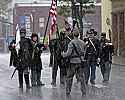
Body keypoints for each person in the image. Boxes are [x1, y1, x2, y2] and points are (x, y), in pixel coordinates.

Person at [62, 29, 86, 96]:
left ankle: (68, 91)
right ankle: (84, 91)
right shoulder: (82, 42)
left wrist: (63, 54)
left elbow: (68, 54)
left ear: (73, 35)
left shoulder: (71, 43)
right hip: (80, 62)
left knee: (69, 77)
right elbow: (84, 52)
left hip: (72, 62)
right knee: (82, 78)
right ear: (78, 35)